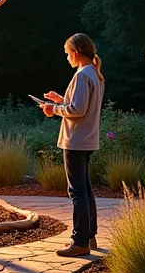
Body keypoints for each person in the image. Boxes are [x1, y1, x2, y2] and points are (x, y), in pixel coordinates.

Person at [41, 32, 105, 258]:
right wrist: (60, 100)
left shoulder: (82, 75)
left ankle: (80, 242)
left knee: (77, 191)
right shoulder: (94, 74)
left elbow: (78, 110)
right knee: (85, 189)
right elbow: (79, 105)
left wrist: (53, 109)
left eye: (68, 54)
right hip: (87, 140)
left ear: (76, 53)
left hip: (76, 140)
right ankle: (90, 235)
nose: (67, 58)